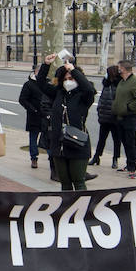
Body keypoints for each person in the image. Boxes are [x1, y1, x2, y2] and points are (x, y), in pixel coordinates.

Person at [46, 58, 97, 190]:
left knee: (78, 182)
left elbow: (89, 89)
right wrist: (47, 65)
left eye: (72, 78)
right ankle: (66, 207)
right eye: (66, 79)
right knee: (65, 183)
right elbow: (41, 84)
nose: (68, 81)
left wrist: (73, 70)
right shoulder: (58, 94)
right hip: (59, 145)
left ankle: (82, 207)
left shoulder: (83, 97)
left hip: (77, 144)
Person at [111, 60, 136, 179]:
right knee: (124, 142)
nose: (117, 70)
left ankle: (132, 167)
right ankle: (128, 164)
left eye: (118, 68)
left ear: (123, 69)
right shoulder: (122, 81)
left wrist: (128, 108)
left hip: (130, 117)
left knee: (130, 142)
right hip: (120, 117)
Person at [17, 57, 53, 169]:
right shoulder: (28, 84)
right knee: (33, 138)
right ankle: (34, 158)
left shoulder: (47, 83)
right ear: (35, 72)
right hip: (34, 115)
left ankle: (52, 158)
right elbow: (22, 99)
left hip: (46, 116)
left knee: (48, 137)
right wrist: (33, 109)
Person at [90, 65, 123, 170]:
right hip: (105, 116)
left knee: (116, 139)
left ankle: (115, 158)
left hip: (115, 117)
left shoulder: (119, 85)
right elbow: (102, 100)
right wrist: (99, 111)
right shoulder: (106, 85)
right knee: (102, 138)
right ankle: (97, 157)